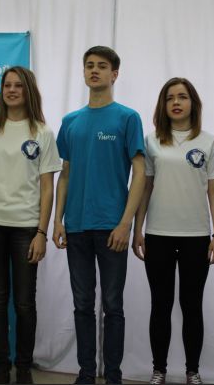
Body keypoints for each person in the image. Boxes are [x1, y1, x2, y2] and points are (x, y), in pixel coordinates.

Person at [53, 46, 146, 384]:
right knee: (82, 304)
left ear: (114, 74)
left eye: (102, 66)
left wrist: (126, 223)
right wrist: (57, 220)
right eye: (89, 65)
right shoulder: (70, 122)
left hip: (111, 227)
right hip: (76, 226)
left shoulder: (127, 118)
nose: (94, 70)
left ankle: (114, 376)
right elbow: (65, 173)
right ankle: (87, 373)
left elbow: (140, 172)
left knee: (112, 305)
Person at [0, 66, 62, 384]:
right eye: (6, 85)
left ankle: (23, 367)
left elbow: (47, 188)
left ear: (28, 91)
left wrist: (41, 233)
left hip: (26, 229)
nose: (11, 90)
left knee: (24, 302)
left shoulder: (43, 133)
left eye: (18, 86)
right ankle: (0, 367)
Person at [132, 77, 214, 385]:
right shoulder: (151, 141)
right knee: (160, 305)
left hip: (196, 237)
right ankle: (159, 369)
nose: (176, 102)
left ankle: (192, 371)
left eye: (182, 97)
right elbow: (145, 188)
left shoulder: (209, 142)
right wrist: (137, 230)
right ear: (163, 104)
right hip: (158, 234)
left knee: (192, 306)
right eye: (170, 97)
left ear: (193, 103)